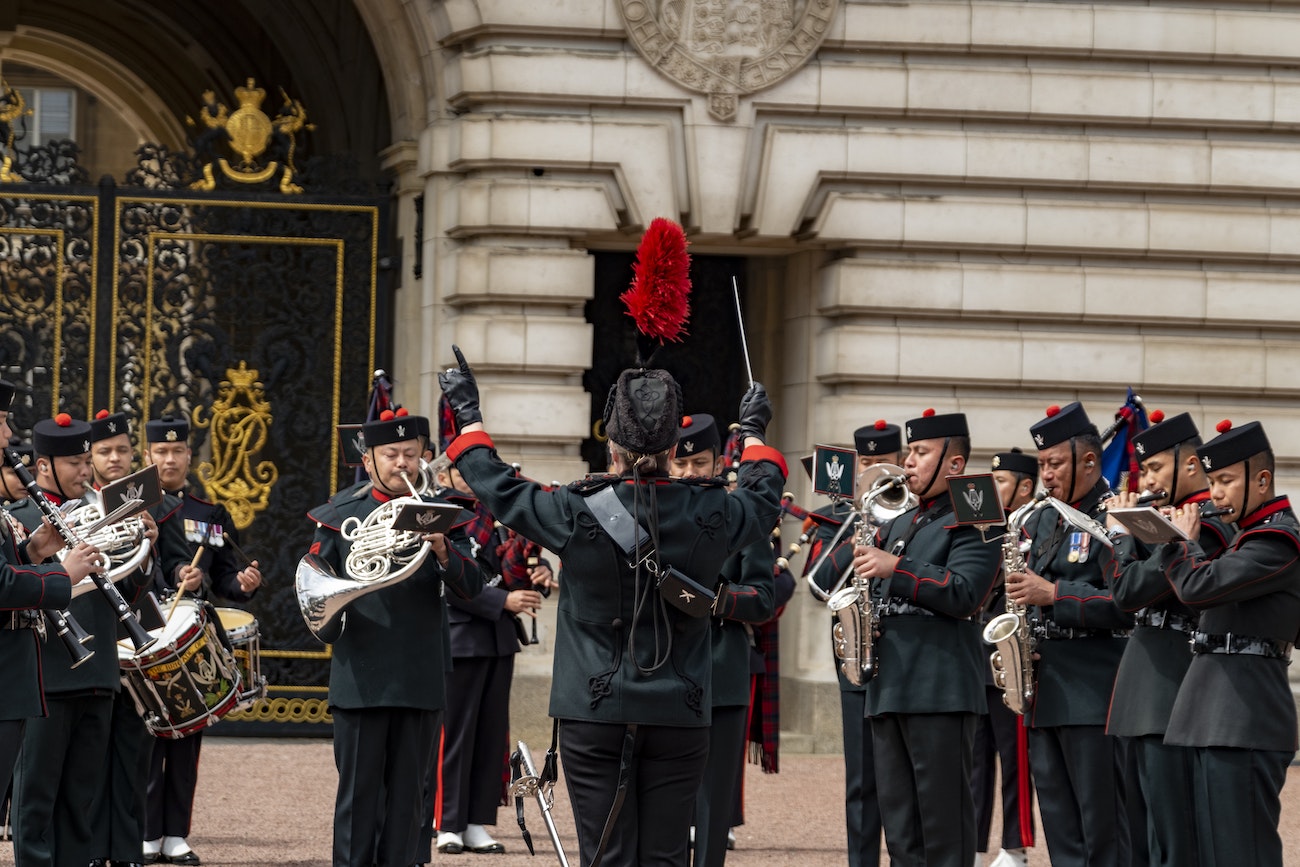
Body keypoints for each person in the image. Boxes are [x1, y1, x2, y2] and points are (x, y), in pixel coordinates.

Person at [440, 346, 785, 867]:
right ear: (673, 449)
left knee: (605, 855)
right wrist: (753, 431)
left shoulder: (574, 507)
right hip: (682, 707)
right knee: (667, 856)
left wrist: (469, 416)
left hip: (594, 708)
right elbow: (763, 495)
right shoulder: (716, 507)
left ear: (613, 449)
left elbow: (494, 484)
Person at [306, 407, 483, 867]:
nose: (401, 463)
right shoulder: (340, 513)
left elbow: (472, 586)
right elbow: (314, 583)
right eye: (390, 455)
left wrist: (444, 548)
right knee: (358, 798)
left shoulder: (446, 512)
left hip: (419, 671)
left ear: (425, 456)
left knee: (410, 801)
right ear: (369, 462)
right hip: (360, 673)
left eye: (410, 453)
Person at [850, 409, 1000, 867]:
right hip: (890, 687)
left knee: (943, 833)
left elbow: (966, 592)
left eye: (920, 452)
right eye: (910, 452)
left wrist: (897, 570)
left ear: (954, 464)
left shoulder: (976, 515)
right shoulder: (898, 524)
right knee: (902, 837)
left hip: (940, 690)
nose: (908, 462)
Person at [9, 412, 153, 867]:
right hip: (46, 674)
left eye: (86, 461)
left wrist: (145, 550)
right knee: (37, 800)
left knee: (80, 803)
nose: (86, 471)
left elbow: (125, 589)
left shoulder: (107, 513)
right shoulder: (20, 520)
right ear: (45, 465)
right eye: (74, 462)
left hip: (99, 672)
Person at [1161, 419, 1300, 867]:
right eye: (1211, 481)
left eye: (1225, 481)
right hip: (1217, 713)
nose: (1215, 494)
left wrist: (1177, 541)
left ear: (1262, 480)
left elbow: (1197, 588)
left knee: (1243, 854)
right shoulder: (1246, 538)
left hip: (1244, 715)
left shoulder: (1277, 541)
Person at [1005, 402, 1132, 867]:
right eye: (1041, 465)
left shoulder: (1116, 514)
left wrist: (1053, 594)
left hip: (1094, 691)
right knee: (1061, 831)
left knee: (1104, 832)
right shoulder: (1041, 518)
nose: (1046, 475)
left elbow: (1126, 605)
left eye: (1054, 464)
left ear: (1090, 460)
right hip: (1046, 692)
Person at [1104, 411, 1232, 867]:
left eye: (1156, 468)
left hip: (1173, 688)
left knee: (1174, 837)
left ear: (1192, 465)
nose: (1148, 480)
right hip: (1146, 685)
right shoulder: (1164, 520)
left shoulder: (1208, 524)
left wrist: (1120, 537)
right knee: (1140, 836)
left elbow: (1126, 592)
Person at [141, 413, 264, 866]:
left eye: (177, 452)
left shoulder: (207, 512)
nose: (169, 459)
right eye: (161, 452)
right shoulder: (136, 508)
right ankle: (147, 830)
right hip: (147, 630)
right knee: (150, 733)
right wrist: (175, 574)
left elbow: (226, 575)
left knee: (188, 734)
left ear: (189, 457)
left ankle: (176, 833)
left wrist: (243, 584)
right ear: (148, 457)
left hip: (193, 634)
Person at [428, 452, 553, 856]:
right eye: (462, 471)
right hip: (462, 636)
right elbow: (447, 581)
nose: (471, 478)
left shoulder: (497, 511)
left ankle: (476, 821)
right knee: (456, 736)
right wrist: (503, 601)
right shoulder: (441, 513)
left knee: (490, 736)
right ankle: (446, 822)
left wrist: (541, 572)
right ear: (446, 473)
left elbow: (517, 559)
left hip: (498, 638)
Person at [668, 413, 776, 867]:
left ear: (717, 465)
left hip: (721, 670)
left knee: (713, 805)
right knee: (664, 799)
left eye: (701, 464)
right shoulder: (652, 512)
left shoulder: (741, 517)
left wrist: (712, 600)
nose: (692, 474)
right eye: (682, 465)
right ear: (668, 466)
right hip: (663, 670)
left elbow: (763, 599)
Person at [87, 409, 184, 867]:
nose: (114, 458)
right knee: (87, 763)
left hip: (134, 646)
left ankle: (126, 853)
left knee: (133, 759)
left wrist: (147, 554)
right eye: (104, 451)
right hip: (89, 648)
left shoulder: (158, 507)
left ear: (133, 456)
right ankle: (87, 850)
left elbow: (157, 580)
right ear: (89, 458)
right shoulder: (78, 509)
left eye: (122, 450)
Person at [0, 384, 95, 853]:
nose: (8, 432)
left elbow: (6, 565)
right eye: (1, 422)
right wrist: (60, 575)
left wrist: (33, 550)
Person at [801, 419, 900, 867]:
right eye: (868, 462)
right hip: (854, 656)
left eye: (885, 462)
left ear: (900, 462)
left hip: (905, 659)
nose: (877, 470)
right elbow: (819, 586)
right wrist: (858, 525)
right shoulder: (838, 518)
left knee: (903, 779)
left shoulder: (917, 514)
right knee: (861, 778)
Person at [971, 448, 1038, 867]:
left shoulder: (1034, 526)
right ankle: (975, 845)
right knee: (975, 759)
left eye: (1002, 482)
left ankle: (1015, 847)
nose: (993, 489)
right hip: (977, 652)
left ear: (1025, 487)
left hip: (1013, 656)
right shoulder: (983, 528)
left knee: (1014, 757)